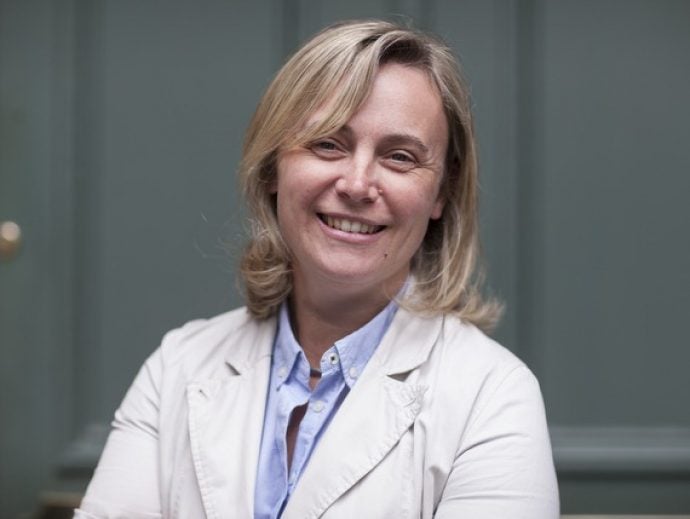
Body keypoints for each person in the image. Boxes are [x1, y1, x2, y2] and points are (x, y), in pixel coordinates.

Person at [75, 19, 559, 518]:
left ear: (440, 192)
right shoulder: (178, 367)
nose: (356, 183)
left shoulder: (494, 396)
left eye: (399, 157)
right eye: (328, 143)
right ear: (272, 168)